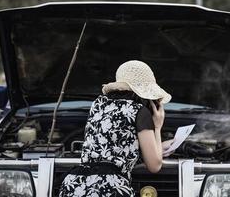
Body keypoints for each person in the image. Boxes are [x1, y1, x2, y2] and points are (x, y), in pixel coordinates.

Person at [59, 60, 173, 197]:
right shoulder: (139, 111)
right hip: (109, 188)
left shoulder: (97, 105)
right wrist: (157, 126)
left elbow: (114, 146)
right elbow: (154, 166)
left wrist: (158, 146)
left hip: (74, 186)